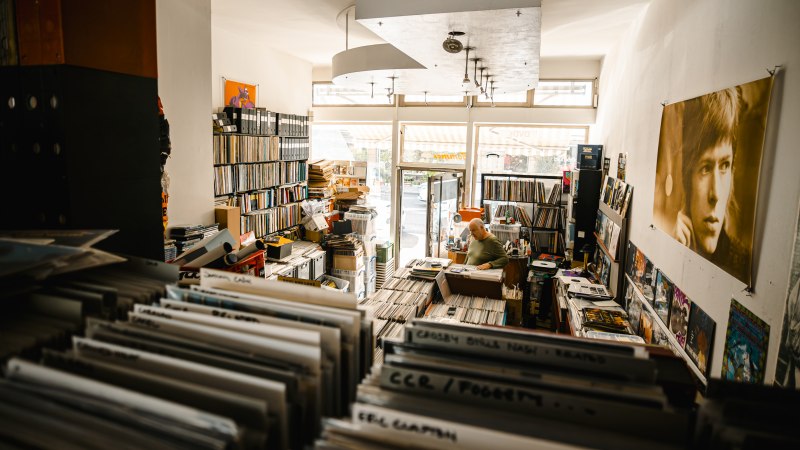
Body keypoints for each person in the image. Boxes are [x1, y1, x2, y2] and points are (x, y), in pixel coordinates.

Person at [673, 87, 748, 277]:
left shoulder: (742, 264)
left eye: (724, 166)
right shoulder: (672, 236)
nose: (715, 194)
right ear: (686, 178)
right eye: (705, 168)